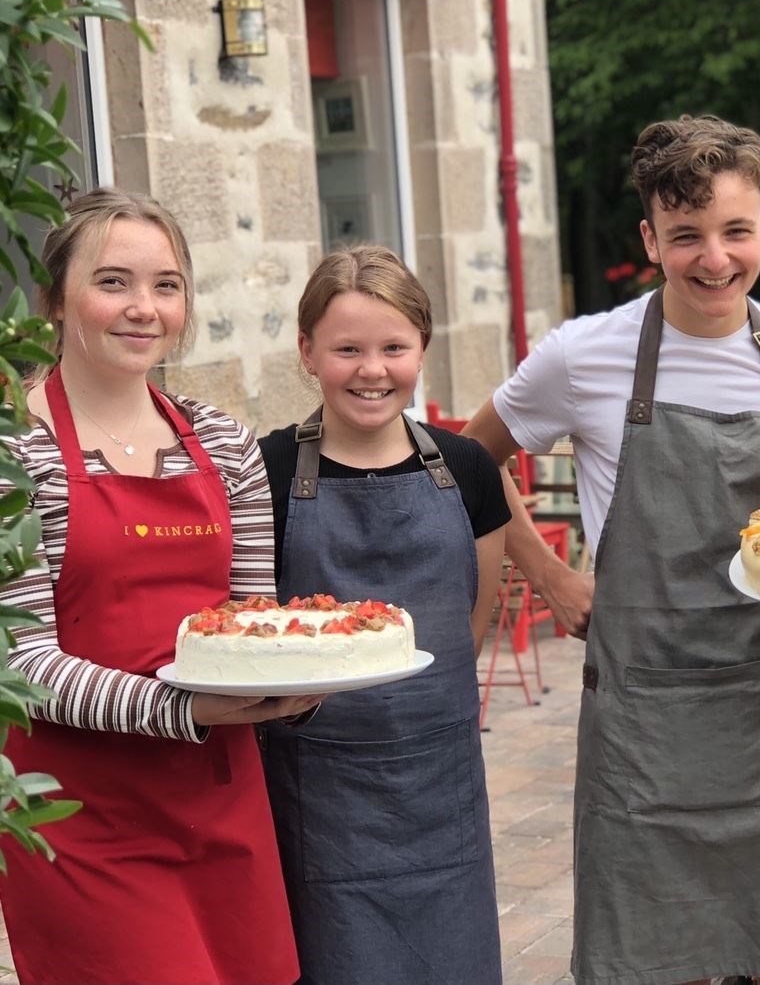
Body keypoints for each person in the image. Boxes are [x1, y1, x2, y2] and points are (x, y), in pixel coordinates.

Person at [464, 114, 760, 985]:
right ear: (650, 239)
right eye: (687, 235)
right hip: (640, 725)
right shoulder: (585, 357)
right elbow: (468, 461)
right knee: (653, 965)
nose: (715, 258)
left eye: (735, 230)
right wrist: (548, 576)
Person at [0, 188, 318, 983]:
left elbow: (249, 618)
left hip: (219, 795)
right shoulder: (18, 454)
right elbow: (21, 666)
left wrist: (295, 675)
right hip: (78, 812)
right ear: (56, 298)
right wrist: (182, 708)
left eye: (166, 284)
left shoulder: (224, 444)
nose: (144, 307)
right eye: (113, 281)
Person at [257, 245, 509, 984]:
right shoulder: (268, 471)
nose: (373, 369)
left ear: (422, 348)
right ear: (308, 352)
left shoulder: (467, 469)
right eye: (347, 349)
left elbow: (469, 625)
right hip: (318, 787)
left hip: (440, 784)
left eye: (394, 347)